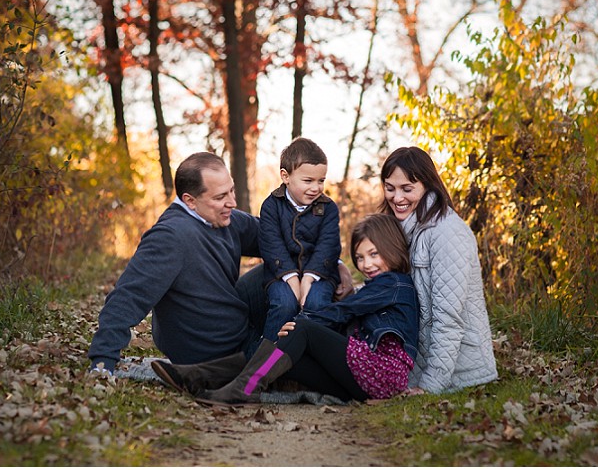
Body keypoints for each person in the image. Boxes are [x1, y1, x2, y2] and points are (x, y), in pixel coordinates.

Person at [89, 152, 355, 389]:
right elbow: (127, 297)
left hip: (232, 320)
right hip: (212, 347)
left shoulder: (224, 218)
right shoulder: (169, 238)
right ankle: (226, 371)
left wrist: (334, 266)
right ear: (190, 201)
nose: (231, 202)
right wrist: (102, 362)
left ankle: (341, 333)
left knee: (286, 275)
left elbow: (280, 240)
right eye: (220, 197)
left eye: (231, 191)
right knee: (316, 367)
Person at [154, 214, 418, 405]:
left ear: (391, 248)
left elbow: (343, 311)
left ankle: (243, 388)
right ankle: (198, 375)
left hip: (381, 372)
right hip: (361, 382)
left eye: (374, 254)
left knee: (299, 330)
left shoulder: (394, 283)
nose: (366, 264)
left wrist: (303, 322)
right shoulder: (381, 285)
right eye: (359, 257)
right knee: (282, 356)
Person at [379, 146, 498, 394]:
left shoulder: (446, 233)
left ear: (428, 186)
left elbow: (448, 319)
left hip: (458, 371)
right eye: (390, 188)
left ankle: (273, 370)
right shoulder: (404, 229)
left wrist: (430, 386)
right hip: (412, 358)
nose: (397, 197)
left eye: (407, 189)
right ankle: (275, 372)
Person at [258, 137, 341, 342]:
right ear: (286, 177)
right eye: (308, 181)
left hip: (320, 272)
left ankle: (313, 354)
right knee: (284, 303)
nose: (316, 188)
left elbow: (328, 245)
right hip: (281, 273)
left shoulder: (328, 208)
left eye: (321, 180)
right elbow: (272, 244)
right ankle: (268, 359)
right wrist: (292, 278)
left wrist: (310, 277)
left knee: (316, 302)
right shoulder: (272, 206)